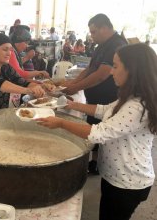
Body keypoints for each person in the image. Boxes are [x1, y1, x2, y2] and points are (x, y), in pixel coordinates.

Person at [37, 43, 157, 220]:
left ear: (133, 70)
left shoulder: (136, 107)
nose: (111, 71)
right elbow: (103, 110)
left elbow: (97, 133)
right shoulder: (129, 96)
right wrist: (72, 105)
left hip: (128, 182)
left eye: (115, 66)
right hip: (116, 175)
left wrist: (61, 123)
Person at [62, 13, 127, 174]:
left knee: (102, 131)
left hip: (108, 97)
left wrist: (76, 88)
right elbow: (91, 69)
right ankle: (95, 162)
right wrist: (73, 84)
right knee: (93, 125)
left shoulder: (116, 45)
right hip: (96, 99)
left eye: (94, 32)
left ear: (104, 28)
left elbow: (101, 75)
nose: (91, 36)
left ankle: (100, 163)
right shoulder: (101, 45)